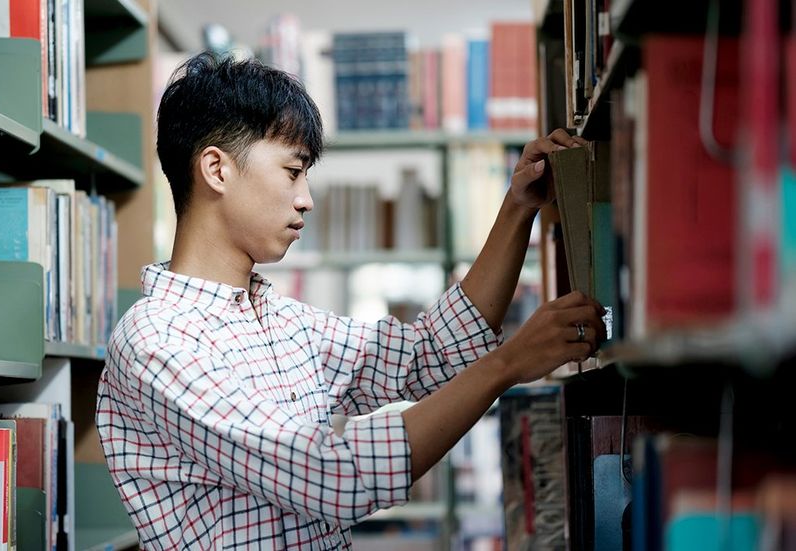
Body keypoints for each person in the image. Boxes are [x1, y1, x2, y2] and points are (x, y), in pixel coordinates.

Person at [96, 52, 606, 550]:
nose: (307, 199)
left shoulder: (280, 319)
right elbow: (332, 475)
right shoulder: (157, 341)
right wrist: (508, 364)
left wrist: (518, 209)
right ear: (216, 169)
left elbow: (431, 355)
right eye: (293, 171)